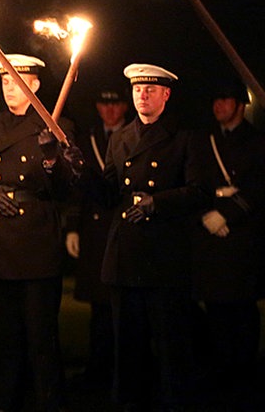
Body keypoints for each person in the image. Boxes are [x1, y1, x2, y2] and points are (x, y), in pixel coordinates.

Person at [78, 63, 206, 410]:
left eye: (150, 90)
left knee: (170, 349)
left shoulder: (184, 137)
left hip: (165, 258)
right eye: (137, 90)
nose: (142, 96)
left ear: (166, 94)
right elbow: (108, 195)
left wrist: (157, 203)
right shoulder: (120, 138)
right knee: (127, 350)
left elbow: (199, 192)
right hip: (126, 257)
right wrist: (79, 171)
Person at [0, 54, 78, 412]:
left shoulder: (57, 127)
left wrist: (51, 159)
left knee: (42, 340)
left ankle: (48, 402)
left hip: (36, 241)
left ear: (35, 85)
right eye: (6, 81)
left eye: (17, 81)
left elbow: (68, 190)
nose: (10, 88)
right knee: (3, 340)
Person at [191, 80, 265, 406]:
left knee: (242, 308)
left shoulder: (259, 141)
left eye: (225, 100)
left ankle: (243, 370)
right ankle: (219, 369)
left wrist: (226, 214)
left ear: (240, 105)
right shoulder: (203, 140)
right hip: (212, 236)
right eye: (215, 100)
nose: (218, 106)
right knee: (215, 308)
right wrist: (206, 214)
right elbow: (193, 181)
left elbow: (258, 185)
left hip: (241, 235)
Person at [64, 88, 129, 392]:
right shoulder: (89, 139)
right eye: (104, 103)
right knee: (98, 307)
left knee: (124, 307)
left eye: (115, 104)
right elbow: (79, 189)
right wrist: (74, 227)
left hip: (122, 228)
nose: (110, 110)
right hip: (93, 231)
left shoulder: (132, 136)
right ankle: (97, 367)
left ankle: (122, 369)